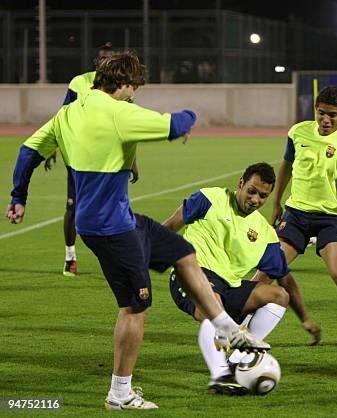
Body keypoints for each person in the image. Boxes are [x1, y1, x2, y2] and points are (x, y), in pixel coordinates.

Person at [6, 52, 269, 410]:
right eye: (134, 88)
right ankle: (119, 392)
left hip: (119, 218)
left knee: (182, 252)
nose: (134, 95)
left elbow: (28, 152)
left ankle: (224, 327)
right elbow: (176, 124)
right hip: (110, 229)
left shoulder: (69, 112)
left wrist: (18, 195)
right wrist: (192, 115)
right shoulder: (119, 112)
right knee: (136, 307)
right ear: (125, 84)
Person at [164, 162, 320, 395]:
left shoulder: (264, 233)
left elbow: (285, 278)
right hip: (192, 275)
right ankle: (219, 377)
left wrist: (305, 319)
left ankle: (237, 361)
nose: (256, 200)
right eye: (252, 191)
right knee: (212, 303)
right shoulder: (209, 199)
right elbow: (170, 226)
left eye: (263, 196)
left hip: (228, 286)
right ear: (240, 184)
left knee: (278, 296)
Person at [269, 85, 337, 349]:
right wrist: (276, 203)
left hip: (330, 218)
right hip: (295, 214)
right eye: (321, 113)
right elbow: (286, 164)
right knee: (267, 270)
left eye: (332, 115)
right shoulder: (298, 132)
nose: (325, 120)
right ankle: (242, 329)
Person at [44, 42, 140, 277]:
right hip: (81, 157)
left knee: (114, 208)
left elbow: (129, 126)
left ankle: (117, 258)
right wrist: (51, 148)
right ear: (98, 62)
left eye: (111, 58)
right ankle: (70, 256)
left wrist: (133, 161)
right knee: (73, 206)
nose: (107, 62)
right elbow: (63, 117)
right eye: (103, 58)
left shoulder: (123, 87)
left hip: (112, 159)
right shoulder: (79, 83)